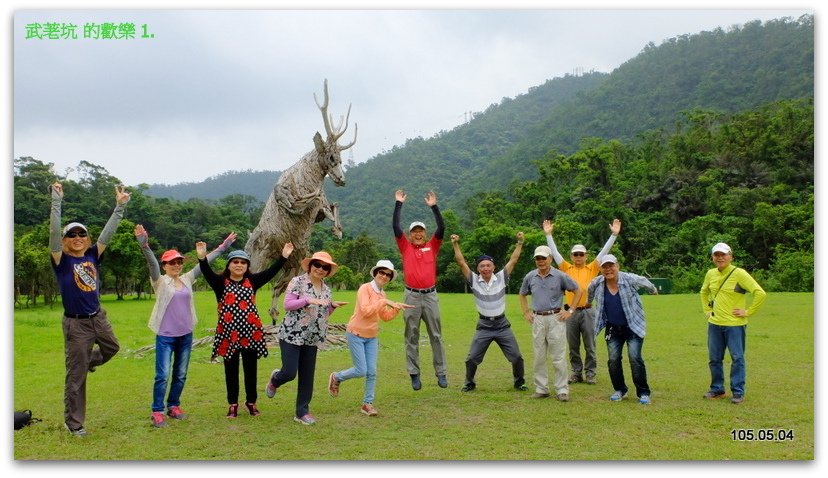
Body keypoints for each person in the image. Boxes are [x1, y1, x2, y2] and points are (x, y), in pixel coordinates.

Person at [48, 181, 131, 437]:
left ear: (87, 239)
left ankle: (88, 362)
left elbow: (107, 234)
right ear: (64, 240)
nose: (77, 239)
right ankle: (74, 424)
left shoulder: (93, 255)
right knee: (76, 378)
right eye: (71, 235)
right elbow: (52, 233)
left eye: (81, 234)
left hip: (98, 317)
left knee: (112, 348)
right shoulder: (60, 260)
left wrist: (119, 208)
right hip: (76, 324)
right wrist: (57, 201)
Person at [135, 224, 236, 428]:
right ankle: (157, 410)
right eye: (172, 262)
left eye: (179, 262)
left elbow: (204, 262)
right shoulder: (160, 282)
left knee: (180, 374)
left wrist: (223, 247)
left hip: (185, 335)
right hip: (165, 336)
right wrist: (144, 244)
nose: (176, 265)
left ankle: (173, 406)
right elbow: (152, 264)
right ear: (165, 265)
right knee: (162, 375)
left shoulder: (187, 279)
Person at [198, 242, 294, 418]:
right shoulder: (220, 283)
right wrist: (202, 257)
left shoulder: (253, 281)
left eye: (243, 262)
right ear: (229, 265)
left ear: (247, 266)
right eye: (235, 262)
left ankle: (251, 402)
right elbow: (207, 272)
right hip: (228, 335)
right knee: (231, 369)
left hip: (251, 333)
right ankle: (232, 404)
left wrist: (284, 256)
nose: (239, 265)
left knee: (251, 369)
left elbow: (271, 272)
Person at [265, 251, 347, 425]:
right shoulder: (298, 282)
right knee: (289, 372)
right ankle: (275, 379)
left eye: (325, 267)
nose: (321, 269)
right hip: (291, 334)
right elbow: (287, 305)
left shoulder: (326, 290)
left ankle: (302, 412)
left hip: (312, 337)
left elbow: (323, 315)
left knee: (307, 375)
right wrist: (307, 300)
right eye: (317, 265)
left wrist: (331, 306)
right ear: (310, 266)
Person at [327, 260, 412, 417]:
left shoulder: (382, 294)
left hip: (372, 337)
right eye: (382, 272)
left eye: (388, 274)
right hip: (356, 333)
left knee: (372, 372)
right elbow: (366, 311)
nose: (384, 276)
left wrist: (396, 308)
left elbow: (384, 316)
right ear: (375, 273)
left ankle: (367, 404)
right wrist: (384, 302)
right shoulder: (364, 289)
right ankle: (336, 377)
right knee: (361, 370)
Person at [543, 218, 622, 385]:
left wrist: (614, 235)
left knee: (590, 345)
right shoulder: (566, 268)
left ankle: (590, 373)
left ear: (586, 256)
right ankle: (577, 373)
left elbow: (604, 251)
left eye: (581, 254)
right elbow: (555, 253)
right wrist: (548, 235)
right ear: (571, 256)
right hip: (569, 312)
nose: (578, 257)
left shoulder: (593, 267)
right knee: (573, 346)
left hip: (587, 311)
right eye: (575, 254)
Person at [450, 232, 528, 393]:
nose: (485, 268)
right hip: (484, 325)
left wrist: (520, 242)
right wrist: (455, 244)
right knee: (472, 358)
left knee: (516, 357)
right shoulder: (473, 280)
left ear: (493, 267)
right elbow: (461, 262)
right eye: (482, 266)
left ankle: (519, 382)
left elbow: (513, 260)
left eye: (488, 265)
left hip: (502, 325)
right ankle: (469, 382)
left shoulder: (501, 277)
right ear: (478, 269)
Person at [392, 189, 448, 390]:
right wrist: (399, 204)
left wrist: (434, 207)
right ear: (410, 234)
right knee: (411, 335)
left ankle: (441, 372)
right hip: (411, 296)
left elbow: (442, 227)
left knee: (436, 335)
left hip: (430, 295)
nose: (417, 233)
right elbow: (396, 227)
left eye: (421, 231)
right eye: (414, 231)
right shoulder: (405, 247)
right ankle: (414, 373)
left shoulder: (432, 246)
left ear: (425, 234)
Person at [699, 242, 767, 404]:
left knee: (737, 358)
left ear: (731, 256)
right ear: (712, 257)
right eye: (717, 255)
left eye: (724, 254)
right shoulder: (710, 274)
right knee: (714, 358)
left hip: (735, 325)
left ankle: (738, 391)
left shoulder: (739, 274)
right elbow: (704, 291)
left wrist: (748, 311)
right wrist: (707, 310)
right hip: (715, 323)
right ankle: (717, 389)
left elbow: (760, 293)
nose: (720, 258)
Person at [587, 254, 658, 404]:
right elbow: (589, 291)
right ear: (600, 269)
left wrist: (653, 290)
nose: (608, 270)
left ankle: (643, 393)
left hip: (633, 326)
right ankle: (620, 390)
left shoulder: (628, 279)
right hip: (612, 328)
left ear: (617, 266)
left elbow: (644, 281)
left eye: (611, 266)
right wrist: (588, 302)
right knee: (613, 360)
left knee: (635, 358)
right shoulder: (597, 283)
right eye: (604, 267)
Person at [518, 245, 582, 402]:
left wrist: (570, 311)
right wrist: (526, 312)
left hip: (556, 318)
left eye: (543, 258)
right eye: (538, 258)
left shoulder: (560, 276)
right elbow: (522, 293)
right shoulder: (530, 276)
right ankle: (541, 388)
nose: (541, 261)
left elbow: (578, 290)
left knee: (558, 356)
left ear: (550, 259)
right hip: (538, 319)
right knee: (539, 356)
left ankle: (562, 390)